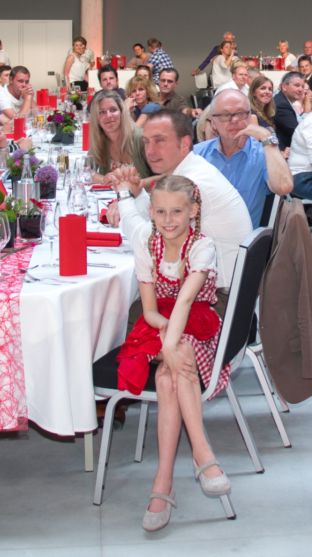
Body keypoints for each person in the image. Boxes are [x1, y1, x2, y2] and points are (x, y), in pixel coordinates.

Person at [112, 175, 233, 531]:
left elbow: (185, 301)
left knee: (168, 378)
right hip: (159, 323)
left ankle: (163, 482)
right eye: (160, 212)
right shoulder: (146, 244)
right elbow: (150, 311)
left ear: (193, 211)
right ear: (150, 211)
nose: (168, 220)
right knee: (175, 365)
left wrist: (169, 346)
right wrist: (164, 338)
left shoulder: (202, 246)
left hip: (195, 320)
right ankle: (203, 456)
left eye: (177, 211)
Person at [108, 110, 253, 289]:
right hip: (219, 288)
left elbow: (143, 241)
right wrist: (138, 195)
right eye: (146, 142)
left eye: (159, 141)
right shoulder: (193, 168)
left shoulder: (191, 183)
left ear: (184, 143)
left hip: (215, 299)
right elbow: (156, 223)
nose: (150, 150)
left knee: (107, 310)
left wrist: (124, 196)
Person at [193, 88, 292, 225]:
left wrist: (266, 138)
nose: (234, 120)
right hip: (200, 238)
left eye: (241, 113)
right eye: (225, 115)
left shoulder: (262, 153)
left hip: (242, 242)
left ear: (249, 117)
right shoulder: (197, 154)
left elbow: (284, 187)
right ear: (213, 122)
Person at [88, 89, 151, 180]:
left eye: (113, 110)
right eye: (102, 112)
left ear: (122, 112)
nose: (108, 116)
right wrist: (103, 179)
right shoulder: (100, 141)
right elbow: (85, 170)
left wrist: (135, 185)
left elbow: (162, 177)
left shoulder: (141, 138)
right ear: (96, 118)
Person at [271, 71, 309, 150]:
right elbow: (298, 133)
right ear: (284, 87)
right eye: (297, 85)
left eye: (302, 86)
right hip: (284, 152)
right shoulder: (281, 105)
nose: (301, 89)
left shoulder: (284, 100)